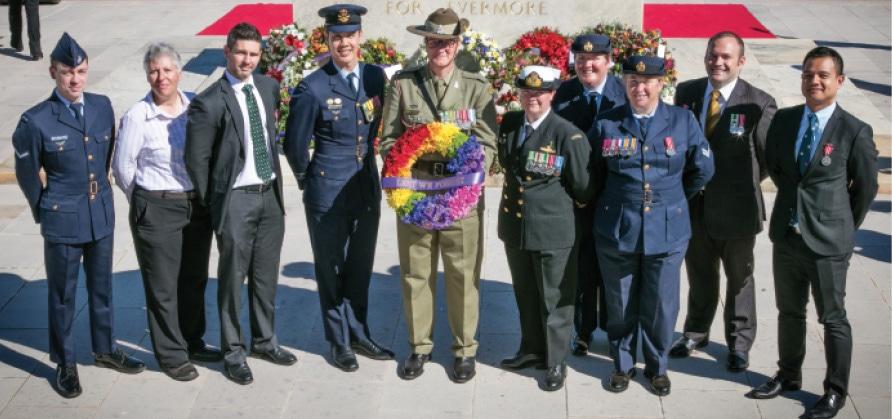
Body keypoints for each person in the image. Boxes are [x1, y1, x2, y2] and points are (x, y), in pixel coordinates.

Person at [12, 32, 145, 399]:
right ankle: (65, 363)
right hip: (62, 218)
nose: (75, 80)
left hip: (99, 213)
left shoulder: (102, 106)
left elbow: (103, 161)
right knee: (63, 295)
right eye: (68, 72)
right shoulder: (35, 121)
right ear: (53, 72)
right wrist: (46, 209)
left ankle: (104, 349)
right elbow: (27, 174)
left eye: (82, 71)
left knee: (102, 288)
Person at [748, 46, 878, 419]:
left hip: (828, 244)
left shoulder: (854, 130)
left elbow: (865, 189)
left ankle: (835, 391)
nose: (814, 81)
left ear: (839, 81)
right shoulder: (785, 120)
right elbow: (775, 164)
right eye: (808, 74)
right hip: (787, 236)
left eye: (822, 75)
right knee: (789, 312)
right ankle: (788, 375)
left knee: (832, 318)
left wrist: (841, 228)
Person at [379, 7, 497, 383]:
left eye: (446, 42)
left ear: (457, 43)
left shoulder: (477, 88)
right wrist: (414, 152)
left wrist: (468, 171)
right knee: (416, 273)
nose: (439, 48)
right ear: (425, 42)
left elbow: (488, 143)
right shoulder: (403, 84)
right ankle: (419, 346)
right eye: (433, 41)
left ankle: (464, 350)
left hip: (461, 197)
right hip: (415, 193)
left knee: (463, 275)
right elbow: (388, 140)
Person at [588, 56, 714, 397]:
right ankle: (622, 363)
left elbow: (702, 169)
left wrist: (671, 200)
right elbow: (592, 175)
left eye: (647, 82)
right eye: (632, 81)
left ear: (661, 84)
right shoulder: (607, 123)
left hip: (668, 227)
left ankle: (657, 367)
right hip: (618, 226)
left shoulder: (682, 121)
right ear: (624, 84)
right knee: (620, 300)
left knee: (661, 303)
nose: (639, 87)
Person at [184, 22, 296, 385]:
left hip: (270, 196)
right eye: (241, 53)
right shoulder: (209, 101)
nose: (247, 60)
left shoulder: (267, 87)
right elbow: (196, 161)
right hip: (235, 200)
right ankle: (233, 351)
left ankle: (264, 341)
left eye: (254, 54)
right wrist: (216, 205)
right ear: (227, 52)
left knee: (265, 276)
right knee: (233, 279)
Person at [284, 4, 394, 372]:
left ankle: (360, 331)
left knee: (360, 264)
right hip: (327, 192)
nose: (343, 43)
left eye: (349, 35)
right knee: (330, 267)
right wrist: (309, 181)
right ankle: (338, 340)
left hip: (364, 187)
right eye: (336, 37)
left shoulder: (376, 78)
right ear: (327, 39)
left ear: (361, 36)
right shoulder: (312, 87)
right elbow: (294, 146)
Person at [112, 42, 221, 382]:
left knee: (193, 280)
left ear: (180, 72)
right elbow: (123, 169)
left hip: (195, 205)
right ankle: (172, 355)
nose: (161, 77)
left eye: (167, 70)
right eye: (154, 71)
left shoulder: (195, 106)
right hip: (156, 206)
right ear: (148, 75)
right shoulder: (137, 117)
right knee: (163, 286)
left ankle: (192, 340)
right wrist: (148, 201)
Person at [670, 31, 777, 372]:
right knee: (700, 274)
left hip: (737, 210)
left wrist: (734, 187)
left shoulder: (758, 103)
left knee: (739, 279)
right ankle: (696, 332)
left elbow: (767, 160)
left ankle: (739, 343)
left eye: (726, 57)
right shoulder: (686, 93)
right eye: (713, 55)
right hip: (695, 207)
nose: (718, 62)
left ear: (741, 62)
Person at [497, 65, 592, 391]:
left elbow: (583, 185)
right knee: (525, 294)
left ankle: (555, 361)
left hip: (553, 230)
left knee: (555, 299)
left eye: (539, 93)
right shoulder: (510, 124)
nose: (532, 98)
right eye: (526, 91)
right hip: (516, 227)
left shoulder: (567, 134)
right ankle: (531, 350)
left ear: (552, 94)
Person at [552, 33, 627, 356]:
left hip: (615, 196)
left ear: (609, 60)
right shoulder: (564, 94)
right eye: (581, 59)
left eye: (595, 59)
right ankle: (582, 331)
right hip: (576, 197)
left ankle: (615, 331)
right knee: (581, 267)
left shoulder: (625, 92)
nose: (588, 65)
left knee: (613, 268)